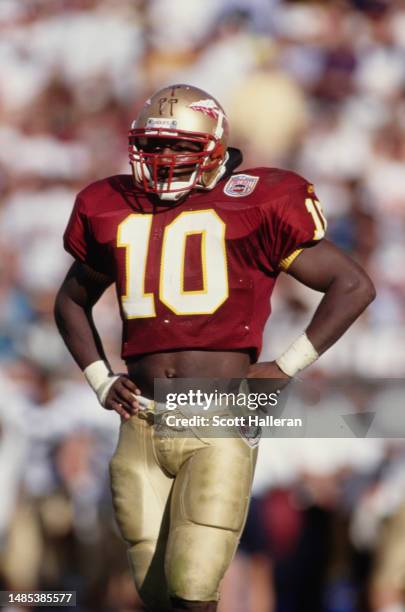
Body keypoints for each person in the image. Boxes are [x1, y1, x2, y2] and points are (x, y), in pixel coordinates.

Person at [54, 83, 375, 612]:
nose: (163, 158)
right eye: (153, 145)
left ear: (214, 148)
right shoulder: (110, 205)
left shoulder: (258, 200)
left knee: (194, 586)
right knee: (154, 595)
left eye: (179, 145)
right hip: (140, 421)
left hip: (218, 415)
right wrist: (100, 377)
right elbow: (71, 301)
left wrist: (285, 366)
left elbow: (353, 284)